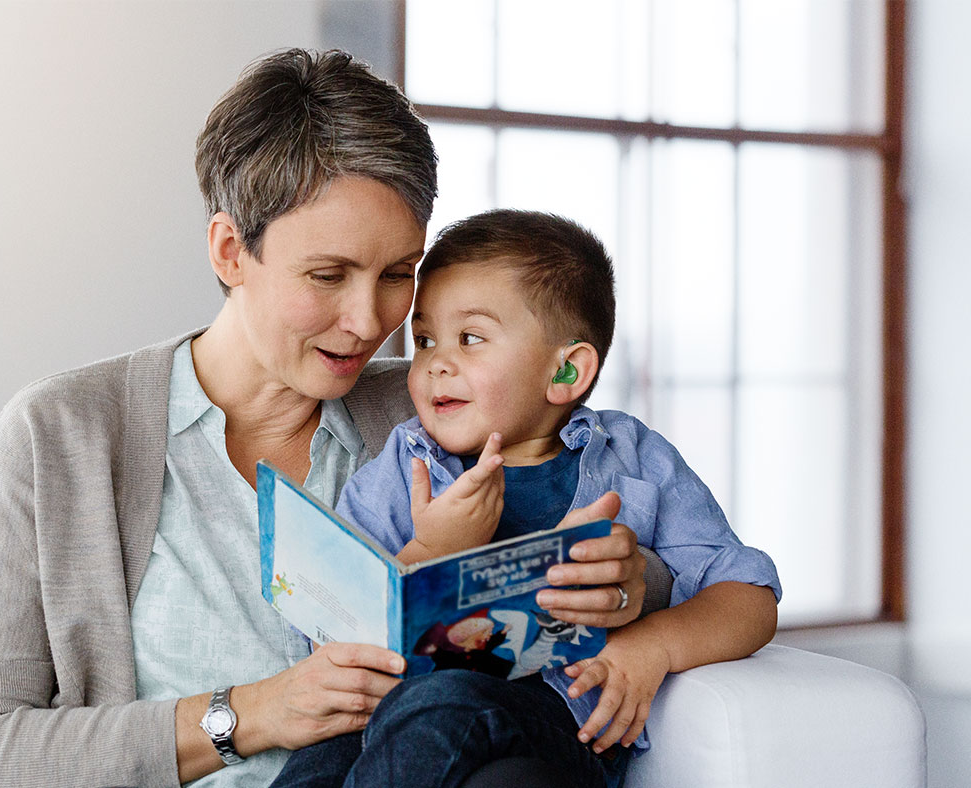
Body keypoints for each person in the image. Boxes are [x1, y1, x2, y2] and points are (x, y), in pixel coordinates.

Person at [0, 50, 651, 788]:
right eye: (328, 276)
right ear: (231, 251)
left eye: (398, 274)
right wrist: (251, 713)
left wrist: (629, 582)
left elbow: (635, 522)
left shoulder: (444, 411)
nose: (370, 321)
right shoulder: (59, 437)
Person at [271, 209, 782, 788]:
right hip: (386, 711)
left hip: (553, 721)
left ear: (565, 373)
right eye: (424, 339)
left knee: (446, 703)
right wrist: (431, 546)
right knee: (317, 761)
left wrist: (653, 647)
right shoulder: (405, 462)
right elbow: (333, 627)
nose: (436, 361)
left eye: (470, 338)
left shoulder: (632, 458)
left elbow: (749, 595)